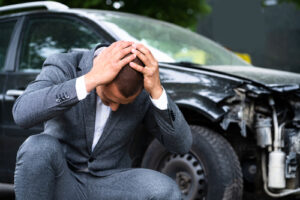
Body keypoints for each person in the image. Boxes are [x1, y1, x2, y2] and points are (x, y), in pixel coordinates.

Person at [13, 41, 192, 200]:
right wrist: (89, 81)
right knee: (37, 147)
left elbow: (181, 145)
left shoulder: (143, 87)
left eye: (122, 104)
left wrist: (158, 93)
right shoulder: (65, 66)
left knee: (164, 190)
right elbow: (21, 113)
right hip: (62, 178)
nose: (114, 108)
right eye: (109, 99)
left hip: (110, 183)